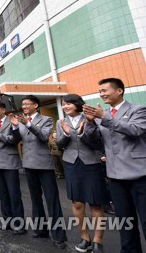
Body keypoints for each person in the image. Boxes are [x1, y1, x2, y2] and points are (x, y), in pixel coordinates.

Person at [82, 78, 146, 253]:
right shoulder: (103, 115)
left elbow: (135, 130)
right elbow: (93, 141)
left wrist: (103, 117)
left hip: (140, 174)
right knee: (125, 220)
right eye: (100, 91)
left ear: (119, 91)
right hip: (115, 176)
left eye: (104, 90)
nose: (101, 94)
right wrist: (89, 123)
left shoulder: (137, 110)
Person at [10, 95, 67, 249]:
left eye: (27, 104)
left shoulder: (46, 119)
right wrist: (15, 127)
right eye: (22, 104)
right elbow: (16, 141)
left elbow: (42, 136)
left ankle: (59, 236)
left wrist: (27, 123)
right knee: (35, 200)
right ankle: (41, 230)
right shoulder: (21, 122)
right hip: (28, 164)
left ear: (35, 105)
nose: (24, 106)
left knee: (52, 200)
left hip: (44, 165)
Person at [56, 94, 107, 253]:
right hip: (71, 164)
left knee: (95, 203)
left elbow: (98, 143)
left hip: (91, 163)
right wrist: (65, 134)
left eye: (68, 104)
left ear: (77, 104)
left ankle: (98, 241)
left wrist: (81, 133)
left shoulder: (91, 118)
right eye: (63, 105)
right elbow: (59, 145)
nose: (65, 107)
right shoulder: (60, 122)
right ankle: (85, 238)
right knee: (77, 203)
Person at [0, 100, 24, 233]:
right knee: (2, 194)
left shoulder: (12, 121)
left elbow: (14, 140)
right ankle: (7, 221)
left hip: (10, 162)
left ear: (3, 110)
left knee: (14, 194)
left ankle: (19, 225)